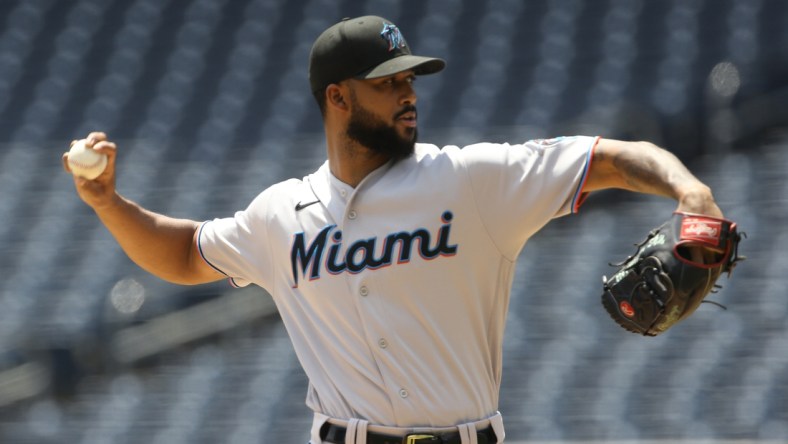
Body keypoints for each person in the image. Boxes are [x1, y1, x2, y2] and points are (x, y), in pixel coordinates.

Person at [64, 15, 723, 444]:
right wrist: (106, 201)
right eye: (387, 83)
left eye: (410, 78)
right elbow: (183, 252)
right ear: (337, 97)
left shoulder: (471, 180)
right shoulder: (280, 215)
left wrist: (692, 193)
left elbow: (609, 156)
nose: (408, 93)